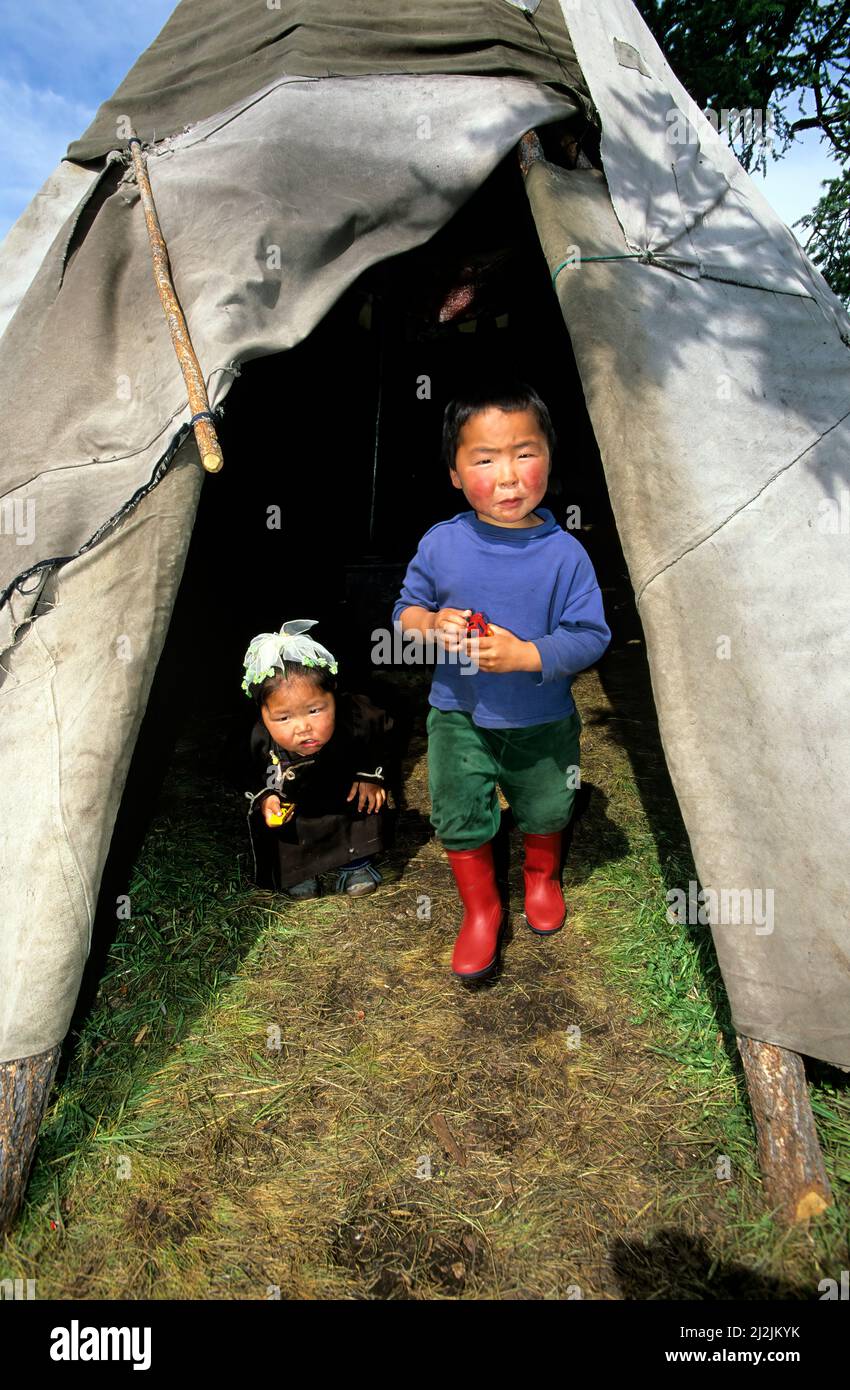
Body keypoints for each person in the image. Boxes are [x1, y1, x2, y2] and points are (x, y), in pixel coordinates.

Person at [393, 380, 611, 979]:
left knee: (545, 805)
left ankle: (542, 877)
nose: (509, 476)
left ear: (549, 456)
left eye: (525, 453)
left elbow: (591, 636)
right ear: (456, 474)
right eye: (485, 459)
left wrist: (526, 656)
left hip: (540, 718)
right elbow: (404, 612)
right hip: (457, 712)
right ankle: (482, 910)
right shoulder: (442, 544)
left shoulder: (566, 554)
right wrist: (432, 623)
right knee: (459, 810)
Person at [243, 620, 390, 899]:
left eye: (314, 710)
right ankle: (301, 871)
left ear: (333, 695)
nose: (302, 728)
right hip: (298, 806)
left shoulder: (356, 718)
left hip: (343, 794)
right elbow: (247, 770)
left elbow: (380, 735)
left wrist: (370, 775)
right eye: (284, 717)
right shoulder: (259, 740)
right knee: (285, 826)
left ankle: (356, 863)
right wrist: (266, 798)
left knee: (361, 801)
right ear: (262, 713)